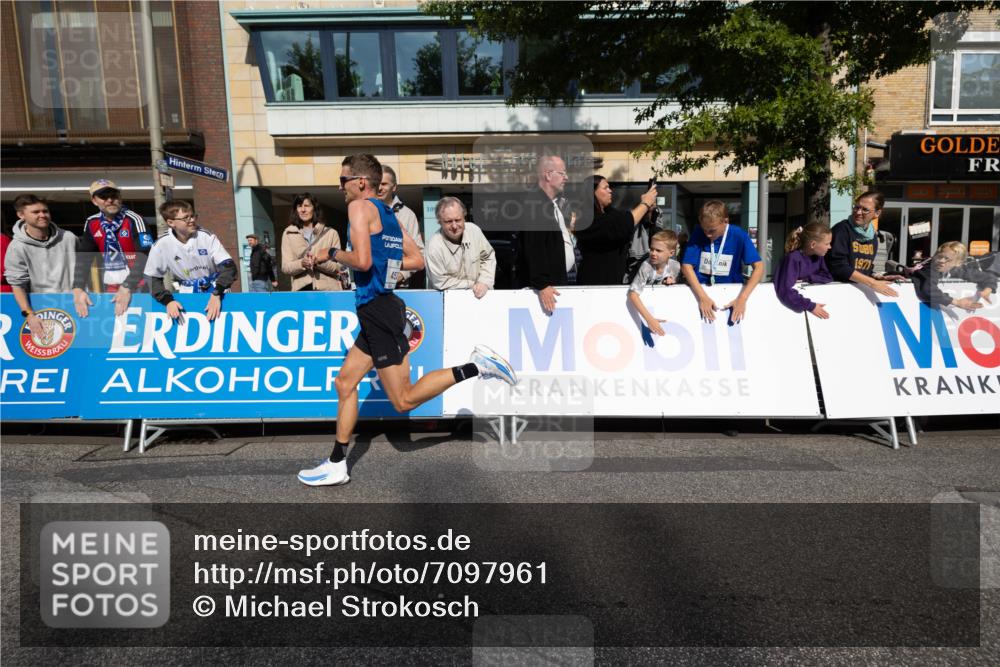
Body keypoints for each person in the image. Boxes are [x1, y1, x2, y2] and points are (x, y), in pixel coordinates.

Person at [297, 154, 518, 487]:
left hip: (378, 311)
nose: (339, 187)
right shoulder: (389, 215)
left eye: (343, 181)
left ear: (360, 182)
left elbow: (361, 259)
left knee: (403, 400)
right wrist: (385, 271)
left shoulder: (360, 208)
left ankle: (476, 366)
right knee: (345, 382)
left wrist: (329, 254)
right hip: (381, 306)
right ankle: (337, 462)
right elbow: (416, 260)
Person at [144, 200, 237, 322]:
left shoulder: (206, 236)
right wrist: (168, 301)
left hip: (218, 290)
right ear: (171, 222)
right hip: (187, 293)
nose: (192, 220)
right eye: (186, 218)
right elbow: (151, 277)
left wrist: (217, 293)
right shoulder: (161, 244)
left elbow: (229, 267)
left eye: (193, 216)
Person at [73, 179, 152, 318]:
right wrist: (78, 287)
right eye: (103, 196)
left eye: (114, 195)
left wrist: (127, 286)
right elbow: (84, 258)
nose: (110, 200)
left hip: (140, 284)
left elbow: (145, 256)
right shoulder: (92, 222)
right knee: (113, 326)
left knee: (141, 325)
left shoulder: (135, 219)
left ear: (120, 197)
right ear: (94, 200)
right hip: (110, 284)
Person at [3, 194, 79, 339]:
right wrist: (29, 315)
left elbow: (85, 271)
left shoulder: (69, 238)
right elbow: (17, 285)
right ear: (21, 215)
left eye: (45, 211)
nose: (42, 215)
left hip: (76, 307)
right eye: (36, 212)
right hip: (42, 312)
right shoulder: (16, 247)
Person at [680, 200, 765, 323]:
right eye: (705, 229)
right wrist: (702, 297)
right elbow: (686, 266)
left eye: (712, 230)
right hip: (702, 293)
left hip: (731, 295)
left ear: (726, 221)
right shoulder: (698, 233)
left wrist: (742, 298)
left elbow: (759, 267)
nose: (707, 234)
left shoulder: (739, 235)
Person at [573, 175, 658, 285]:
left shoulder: (610, 213)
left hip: (616, 281)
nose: (610, 191)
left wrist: (648, 210)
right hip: (594, 283)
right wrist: (645, 203)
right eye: (605, 188)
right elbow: (622, 224)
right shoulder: (586, 218)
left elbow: (628, 220)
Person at [517, 155, 573, 314]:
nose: (566, 178)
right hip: (543, 291)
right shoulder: (535, 204)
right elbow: (534, 247)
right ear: (548, 175)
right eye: (562, 173)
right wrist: (542, 284)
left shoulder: (549, 203)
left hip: (553, 285)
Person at [825, 191, 899, 298]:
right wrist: (872, 283)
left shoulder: (872, 236)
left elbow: (865, 268)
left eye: (865, 209)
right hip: (836, 292)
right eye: (856, 207)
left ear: (877, 213)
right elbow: (838, 267)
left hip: (857, 293)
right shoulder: (841, 230)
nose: (858, 212)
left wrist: (878, 276)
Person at [425, 196, 496, 297]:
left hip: (480, 297)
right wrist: (473, 285)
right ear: (439, 222)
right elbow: (440, 282)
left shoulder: (474, 231)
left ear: (464, 217)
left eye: (458, 220)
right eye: (448, 221)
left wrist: (484, 282)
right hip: (446, 302)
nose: (454, 226)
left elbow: (488, 256)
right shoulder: (433, 246)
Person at [280, 192, 344, 291]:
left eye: (307, 206)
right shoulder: (288, 233)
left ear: (314, 208)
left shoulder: (331, 233)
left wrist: (318, 262)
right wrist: (301, 263)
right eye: (299, 206)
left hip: (328, 291)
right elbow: (285, 267)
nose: (303, 210)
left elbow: (339, 267)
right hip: (302, 291)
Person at [912, 241, 996, 311]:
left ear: (958, 263)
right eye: (939, 256)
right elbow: (928, 290)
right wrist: (957, 302)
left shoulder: (958, 270)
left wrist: (987, 290)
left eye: (947, 259)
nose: (941, 261)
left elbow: (989, 277)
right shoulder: (929, 268)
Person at [773, 223, 834, 319]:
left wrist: (807, 278)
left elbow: (827, 277)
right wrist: (811, 306)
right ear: (813, 244)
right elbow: (784, 290)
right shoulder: (793, 258)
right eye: (827, 244)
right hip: (786, 316)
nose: (829, 247)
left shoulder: (818, 257)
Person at [377, 165, 425, 288]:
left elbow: (420, 253)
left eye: (384, 184)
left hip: (398, 286)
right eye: (376, 183)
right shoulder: (363, 212)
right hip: (370, 283)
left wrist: (401, 274)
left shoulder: (407, 215)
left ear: (394, 187)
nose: (379, 188)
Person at [628, 230, 681, 339]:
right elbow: (633, 294)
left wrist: (672, 282)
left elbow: (678, 288)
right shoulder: (646, 266)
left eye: (658, 250)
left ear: (671, 253)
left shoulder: (675, 266)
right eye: (651, 249)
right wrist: (650, 319)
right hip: (646, 311)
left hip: (663, 311)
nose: (653, 253)